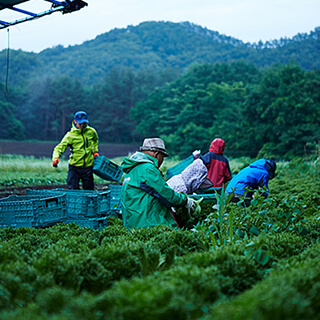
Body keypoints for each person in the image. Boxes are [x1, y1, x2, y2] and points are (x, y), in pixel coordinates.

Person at [120, 138, 197, 229]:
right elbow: (165, 193)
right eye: (162, 157)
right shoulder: (148, 169)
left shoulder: (132, 169)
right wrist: (185, 200)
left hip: (132, 223)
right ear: (157, 154)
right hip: (146, 223)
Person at [52, 111, 99, 190]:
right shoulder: (70, 135)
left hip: (88, 166)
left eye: (84, 123)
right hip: (75, 166)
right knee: (73, 189)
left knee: (89, 189)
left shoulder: (91, 131)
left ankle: (88, 202)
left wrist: (95, 151)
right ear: (75, 122)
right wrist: (55, 157)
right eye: (80, 123)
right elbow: (59, 147)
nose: (82, 125)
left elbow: (95, 140)